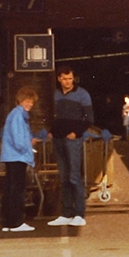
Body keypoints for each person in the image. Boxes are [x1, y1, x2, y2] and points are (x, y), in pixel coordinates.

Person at [47, 66, 94, 228]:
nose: (68, 82)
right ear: (59, 79)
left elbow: (89, 119)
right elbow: (52, 117)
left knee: (74, 176)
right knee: (64, 177)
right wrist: (51, 132)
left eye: (70, 78)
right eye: (65, 79)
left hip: (73, 140)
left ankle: (79, 214)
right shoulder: (55, 95)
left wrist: (76, 133)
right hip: (58, 140)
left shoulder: (83, 94)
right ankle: (66, 213)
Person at [0, 87, 40, 232]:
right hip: (18, 156)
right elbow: (18, 138)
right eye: (27, 101)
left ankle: (7, 223)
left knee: (9, 189)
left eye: (31, 102)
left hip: (10, 156)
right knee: (18, 190)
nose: (29, 104)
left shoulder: (15, 114)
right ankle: (17, 223)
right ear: (20, 100)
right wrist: (27, 145)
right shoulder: (18, 115)